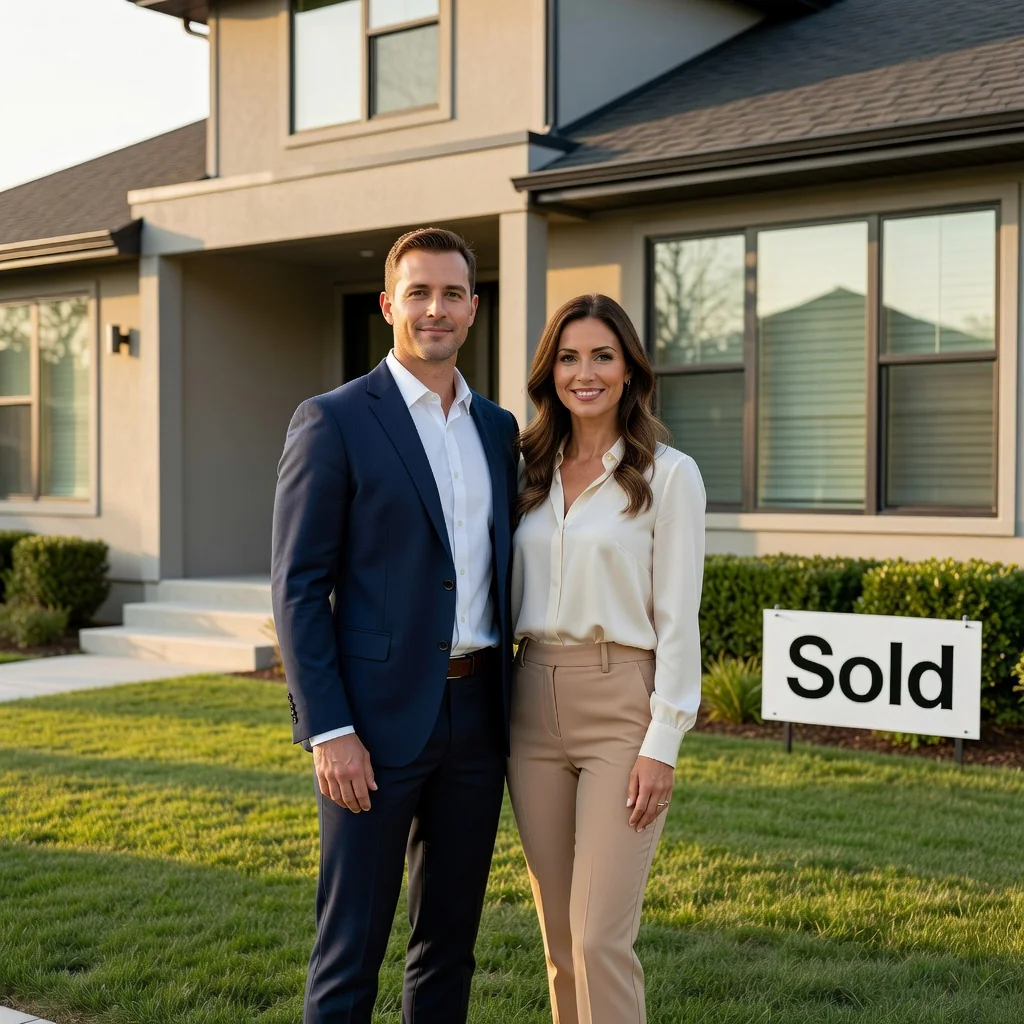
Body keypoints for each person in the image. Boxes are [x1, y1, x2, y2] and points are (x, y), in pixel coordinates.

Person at [271, 227, 519, 1024]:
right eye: (418, 293)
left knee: (449, 945)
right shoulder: (334, 420)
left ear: (474, 309)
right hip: (372, 727)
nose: (435, 309)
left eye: (452, 294)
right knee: (350, 949)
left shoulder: (499, 431)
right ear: (389, 305)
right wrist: (330, 729)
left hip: (481, 717)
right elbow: (299, 588)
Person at [509, 293, 706, 1024]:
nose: (583, 373)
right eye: (568, 357)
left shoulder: (669, 475)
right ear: (548, 371)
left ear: (629, 371)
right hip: (529, 703)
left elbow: (678, 617)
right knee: (560, 939)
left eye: (602, 356)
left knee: (599, 939)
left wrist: (664, 743)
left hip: (622, 700)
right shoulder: (525, 466)